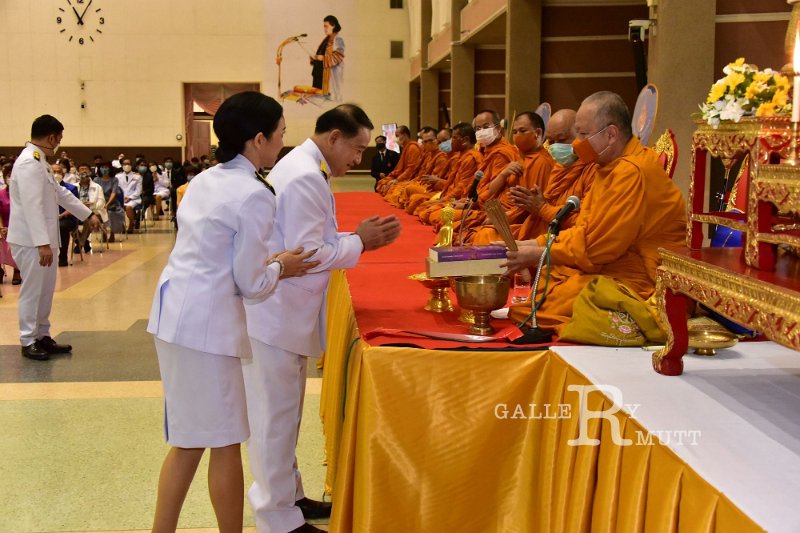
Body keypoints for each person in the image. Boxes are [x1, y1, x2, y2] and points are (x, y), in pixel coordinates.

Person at [147, 92, 319, 533]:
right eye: (280, 134)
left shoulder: (206, 179)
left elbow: (218, 254)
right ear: (258, 139)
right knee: (217, 441)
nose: (282, 142)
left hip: (176, 315)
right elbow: (251, 284)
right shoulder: (253, 193)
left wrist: (267, 263)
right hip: (206, 329)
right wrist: (281, 266)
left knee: (194, 439)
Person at [242, 104, 401, 533]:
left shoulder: (307, 167)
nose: (359, 158)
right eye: (357, 148)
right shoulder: (305, 176)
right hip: (274, 315)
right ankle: (277, 518)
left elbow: (314, 240)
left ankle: (289, 495)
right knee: (274, 419)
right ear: (334, 137)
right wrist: (360, 242)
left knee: (284, 414)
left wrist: (351, 238)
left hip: (282, 313)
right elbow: (307, 254)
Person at [504, 91, 686, 340]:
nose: (576, 143)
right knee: (547, 287)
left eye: (583, 134)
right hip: (610, 264)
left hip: (643, 279)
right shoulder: (608, 166)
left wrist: (538, 253)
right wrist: (532, 245)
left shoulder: (631, 171)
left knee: (542, 305)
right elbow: (585, 228)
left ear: (611, 134)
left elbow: (597, 248)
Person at [7, 115, 100, 361]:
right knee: (32, 290)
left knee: (45, 290)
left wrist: (88, 214)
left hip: (44, 239)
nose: (59, 143)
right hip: (31, 241)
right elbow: (32, 206)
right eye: (59, 138)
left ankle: (42, 335)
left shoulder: (41, 162)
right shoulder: (29, 163)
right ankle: (28, 339)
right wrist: (42, 243)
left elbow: (59, 194)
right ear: (51, 137)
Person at [467, 111, 555, 244]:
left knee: (483, 235)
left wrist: (501, 218)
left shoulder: (540, 162)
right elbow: (491, 189)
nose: (517, 135)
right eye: (514, 132)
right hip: (497, 209)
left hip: (524, 223)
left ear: (537, 133)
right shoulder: (520, 158)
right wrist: (503, 174)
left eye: (522, 131)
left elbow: (529, 208)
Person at [375, 125, 423, 195]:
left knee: (393, 188)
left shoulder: (413, 148)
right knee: (382, 182)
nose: (396, 139)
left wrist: (397, 180)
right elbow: (399, 168)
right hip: (402, 177)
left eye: (397, 136)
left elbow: (411, 170)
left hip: (410, 179)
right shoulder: (405, 148)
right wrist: (391, 176)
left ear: (405, 135)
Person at [310, 15, 345, 102]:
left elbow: (339, 56)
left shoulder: (338, 39)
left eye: (326, 26)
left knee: (327, 102)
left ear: (333, 26)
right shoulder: (327, 39)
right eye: (324, 26)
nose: (324, 29)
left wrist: (323, 58)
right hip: (319, 75)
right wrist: (315, 58)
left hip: (330, 78)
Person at [75, 165, 108, 253]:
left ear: (90, 172)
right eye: (81, 169)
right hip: (77, 212)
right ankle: (84, 242)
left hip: (94, 212)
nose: (83, 171)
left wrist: (92, 205)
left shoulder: (97, 187)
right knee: (68, 222)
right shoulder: (74, 186)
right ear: (78, 173)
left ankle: (80, 244)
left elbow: (101, 202)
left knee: (88, 219)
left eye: (86, 169)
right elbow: (71, 201)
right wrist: (80, 205)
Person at [54, 163, 80, 267]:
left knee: (62, 226)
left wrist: (61, 216)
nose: (56, 174)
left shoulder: (72, 188)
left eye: (58, 172)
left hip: (67, 218)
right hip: (50, 218)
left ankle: (63, 256)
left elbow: (74, 207)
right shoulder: (44, 188)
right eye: (54, 172)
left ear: (63, 174)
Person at [0, 163, 22, 289]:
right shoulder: (1, 194)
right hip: (4, 227)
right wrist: (1, 228)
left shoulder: (23, 194)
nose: (11, 177)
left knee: (18, 241)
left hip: (19, 227)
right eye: (8, 175)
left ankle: (17, 270)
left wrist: (12, 228)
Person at [94, 161, 125, 242]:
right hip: (99, 203)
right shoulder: (96, 180)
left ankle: (112, 233)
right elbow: (95, 193)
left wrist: (107, 204)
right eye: (102, 167)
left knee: (112, 213)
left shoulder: (114, 179)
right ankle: (104, 233)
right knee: (100, 213)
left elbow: (113, 193)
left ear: (110, 168)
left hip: (112, 203)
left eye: (106, 167)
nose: (104, 169)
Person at [115, 158, 142, 233]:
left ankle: (131, 224)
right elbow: (116, 189)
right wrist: (121, 197)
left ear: (131, 165)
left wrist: (130, 198)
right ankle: (121, 225)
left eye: (128, 164)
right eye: (125, 164)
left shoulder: (137, 176)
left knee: (128, 207)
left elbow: (138, 191)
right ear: (122, 165)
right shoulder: (117, 176)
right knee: (115, 208)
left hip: (134, 198)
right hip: (121, 198)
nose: (127, 165)